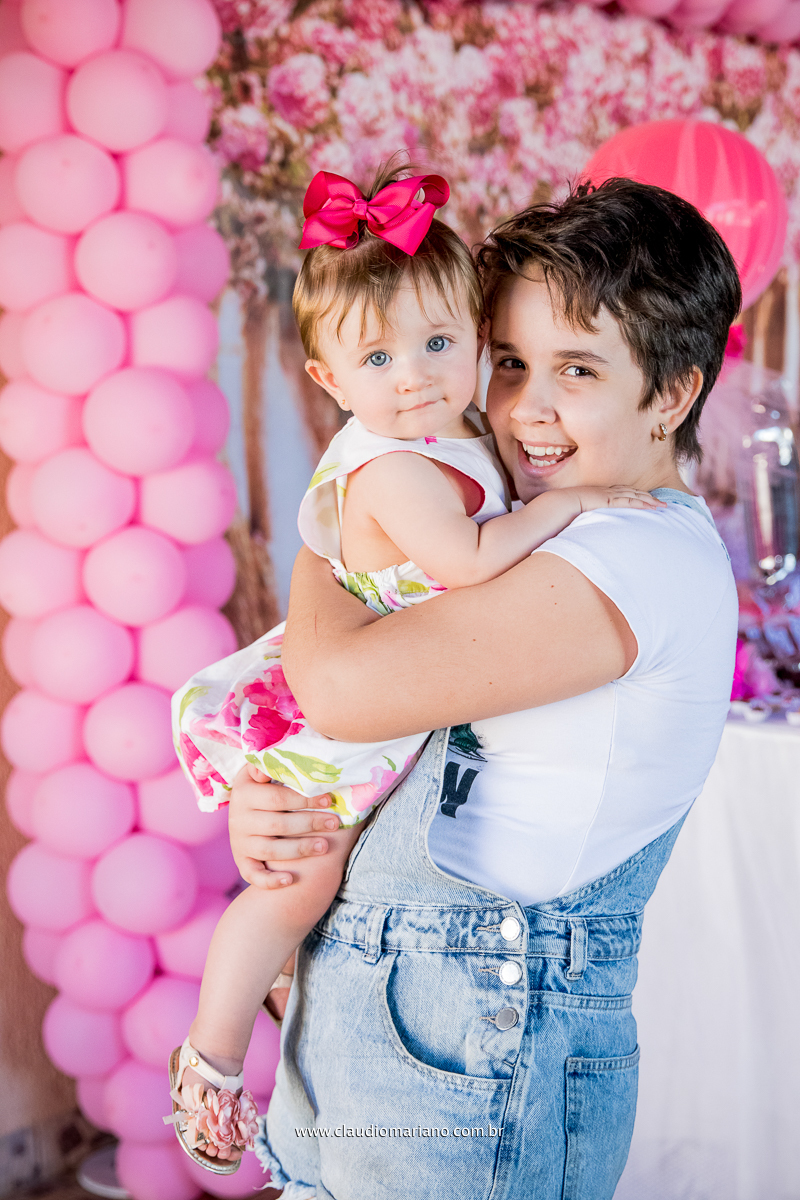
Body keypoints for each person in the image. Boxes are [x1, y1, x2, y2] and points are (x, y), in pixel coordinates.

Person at [226, 178, 741, 1200]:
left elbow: (340, 687)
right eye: (507, 361)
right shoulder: (528, 519)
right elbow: (391, 729)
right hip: (389, 1014)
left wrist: (335, 534)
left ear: (673, 394)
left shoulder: (631, 554)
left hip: (472, 1037)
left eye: (577, 369)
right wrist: (291, 806)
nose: (522, 409)